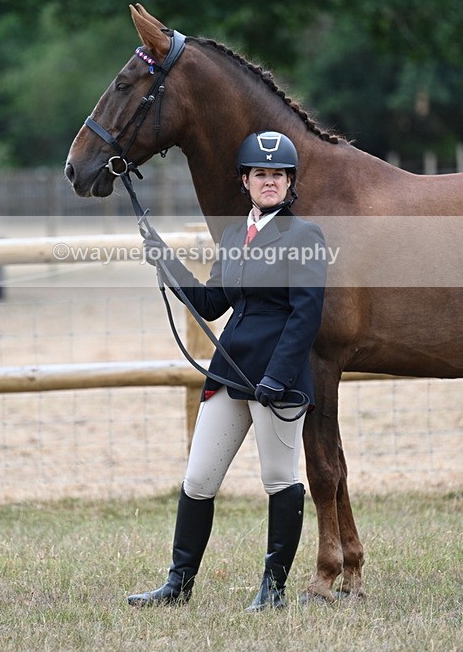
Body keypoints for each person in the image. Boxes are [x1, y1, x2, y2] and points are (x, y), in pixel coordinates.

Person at [127, 131, 327, 612]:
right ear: (246, 180)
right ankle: (178, 584)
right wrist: (166, 261)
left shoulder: (305, 237)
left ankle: (272, 590)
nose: (270, 182)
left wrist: (277, 379)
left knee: (279, 479)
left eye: (278, 175)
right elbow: (214, 303)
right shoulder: (236, 236)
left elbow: (305, 317)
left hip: (276, 380)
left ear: (289, 182)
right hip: (231, 373)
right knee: (198, 480)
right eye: (261, 174)